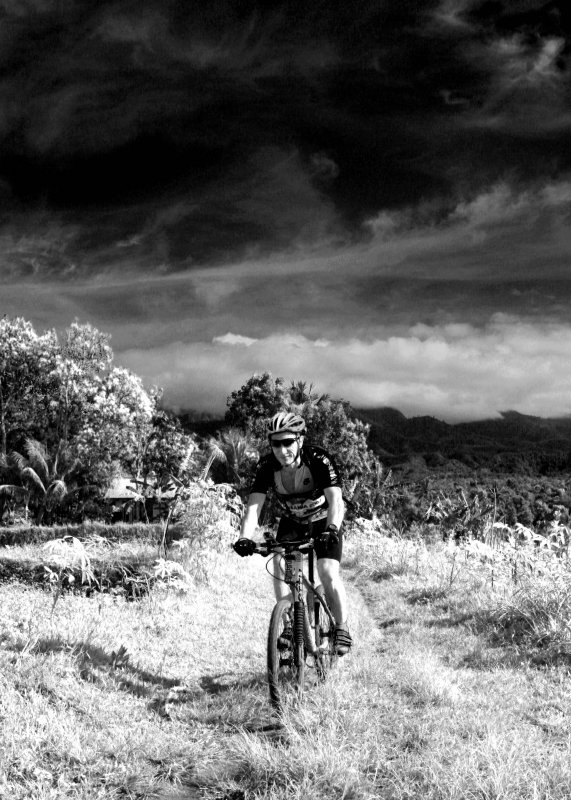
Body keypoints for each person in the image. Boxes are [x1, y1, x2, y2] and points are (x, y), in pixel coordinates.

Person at [232, 411, 352, 655]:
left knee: (327, 571)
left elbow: (336, 501)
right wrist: (244, 537)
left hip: (323, 521)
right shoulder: (267, 467)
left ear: (300, 440)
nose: (282, 449)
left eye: (287, 442)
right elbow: (254, 507)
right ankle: (289, 622)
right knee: (279, 562)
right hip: (293, 522)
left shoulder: (318, 459)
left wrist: (332, 529)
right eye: (276, 443)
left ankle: (341, 627)